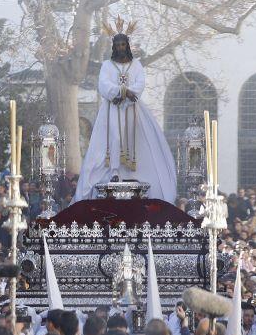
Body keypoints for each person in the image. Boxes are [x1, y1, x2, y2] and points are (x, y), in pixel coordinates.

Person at [73, 24, 178, 204]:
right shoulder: (107, 65)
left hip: (132, 109)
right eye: (118, 45)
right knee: (113, 138)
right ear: (114, 47)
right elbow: (103, 84)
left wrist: (128, 94)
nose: (121, 48)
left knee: (135, 139)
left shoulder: (136, 65)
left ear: (127, 46)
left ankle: (130, 173)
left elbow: (140, 84)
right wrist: (121, 91)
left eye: (123, 45)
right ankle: (114, 171)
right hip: (112, 109)